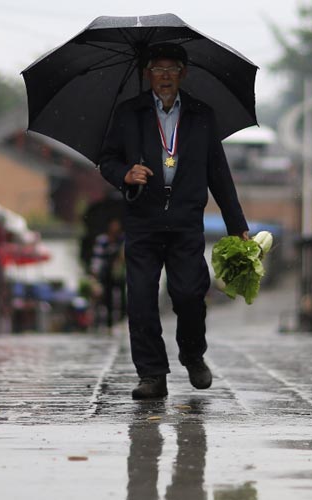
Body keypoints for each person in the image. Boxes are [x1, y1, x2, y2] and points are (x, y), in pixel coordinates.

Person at [98, 42, 249, 400]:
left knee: (189, 294)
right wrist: (125, 173)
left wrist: (237, 226)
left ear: (184, 73)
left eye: (172, 69)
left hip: (185, 223)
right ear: (146, 74)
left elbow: (220, 175)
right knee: (141, 301)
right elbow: (107, 160)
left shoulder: (201, 115)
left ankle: (193, 354)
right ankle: (151, 374)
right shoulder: (128, 113)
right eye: (157, 69)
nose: (164, 76)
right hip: (143, 222)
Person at [90, 218, 125, 329]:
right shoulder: (102, 240)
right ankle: (109, 322)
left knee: (122, 295)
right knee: (107, 297)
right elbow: (97, 257)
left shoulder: (122, 239)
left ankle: (122, 317)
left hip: (120, 273)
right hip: (106, 273)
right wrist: (95, 271)